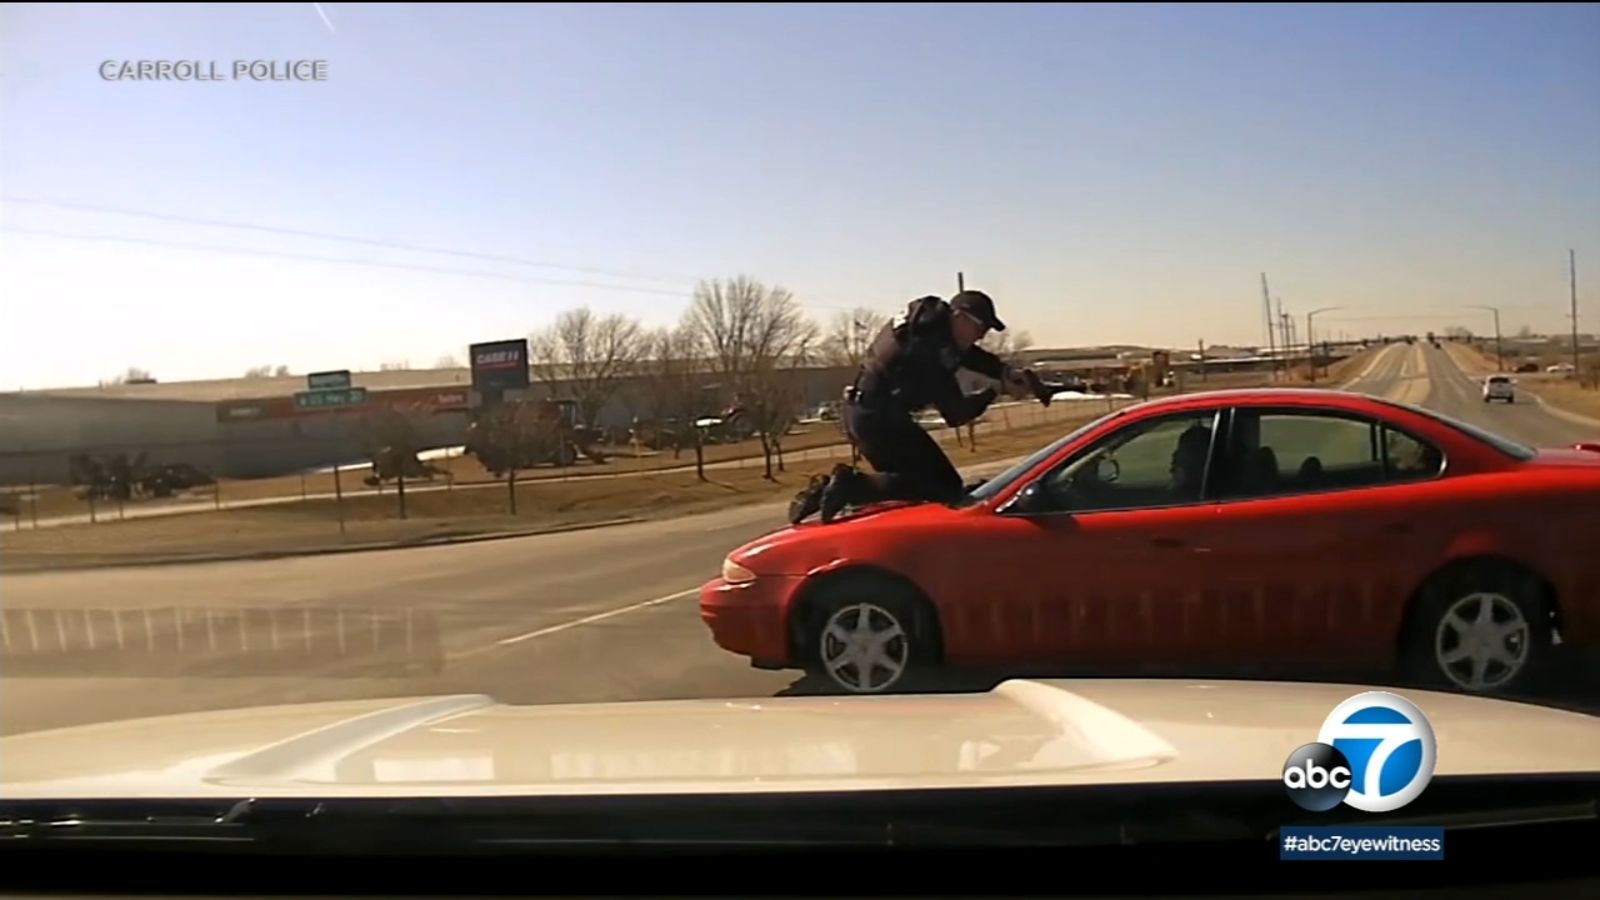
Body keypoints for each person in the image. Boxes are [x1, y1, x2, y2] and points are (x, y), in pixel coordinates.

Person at [789, 289, 1051, 525]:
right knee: (941, 488)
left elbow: (968, 355)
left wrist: (1004, 371)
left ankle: (829, 490)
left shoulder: (930, 328)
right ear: (959, 317)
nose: (981, 336)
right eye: (980, 328)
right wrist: (996, 390)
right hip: (877, 419)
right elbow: (956, 414)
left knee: (934, 484)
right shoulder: (928, 351)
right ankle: (850, 485)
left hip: (869, 412)